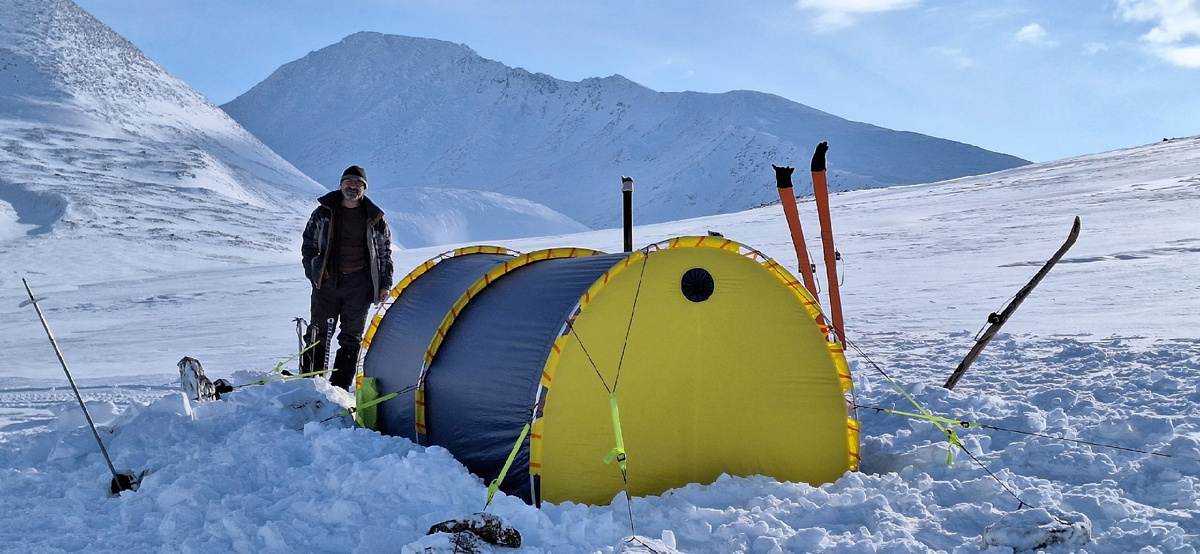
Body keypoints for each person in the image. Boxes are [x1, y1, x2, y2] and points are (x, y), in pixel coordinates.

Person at [301, 165, 393, 390]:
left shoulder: (375, 217)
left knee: (351, 338)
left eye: (358, 183)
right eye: (348, 182)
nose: (352, 187)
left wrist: (385, 283)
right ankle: (310, 385)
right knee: (318, 333)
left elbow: (384, 252)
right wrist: (314, 272)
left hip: (359, 285)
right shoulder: (324, 212)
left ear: (364, 188)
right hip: (326, 282)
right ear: (341, 184)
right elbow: (308, 245)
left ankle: (339, 389)